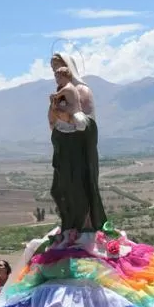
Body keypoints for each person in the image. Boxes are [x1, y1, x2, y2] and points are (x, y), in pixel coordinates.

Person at [48, 53, 107, 234]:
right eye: (54, 70)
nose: (56, 73)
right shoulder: (59, 93)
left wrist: (71, 118)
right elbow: (53, 122)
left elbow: (89, 122)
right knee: (60, 189)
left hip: (80, 151)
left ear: (68, 69)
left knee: (80, 189)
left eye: (59, 68)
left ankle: (86, 225)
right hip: (64, 149)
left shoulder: (82, 90)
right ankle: (70, 225)